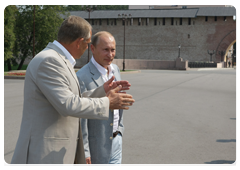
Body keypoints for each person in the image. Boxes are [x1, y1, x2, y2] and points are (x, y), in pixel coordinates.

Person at [10, 16, 134, 166]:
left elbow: (73, 97)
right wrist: (107, 102)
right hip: (45, 155)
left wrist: (103, 91)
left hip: (54, 153)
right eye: (88, 44)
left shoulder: (59, 59)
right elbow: (68, 104)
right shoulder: (49, 60)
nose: (88, 48)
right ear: (79, 42)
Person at [76, 31, 125, 166]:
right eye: (105, 50)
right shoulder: (82, 76)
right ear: (92, 48)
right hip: (96, 147)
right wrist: (85, 151)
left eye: (113, 50)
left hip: (116, 141)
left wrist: (119, 130)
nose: (110, 55)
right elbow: (81, 118)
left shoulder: (115, 69)